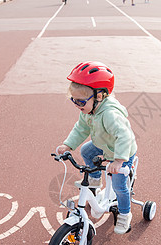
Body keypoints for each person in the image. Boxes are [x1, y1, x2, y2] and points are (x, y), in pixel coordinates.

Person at [56, 61, 138, 234]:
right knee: (87, 150)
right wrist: (68, 145)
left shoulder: (109, 114)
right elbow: (81, 128)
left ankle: (125, 214)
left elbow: (125, 136)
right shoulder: (88, 110)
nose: (77, 105)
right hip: (104, 145)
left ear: (99, 96)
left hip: (122, 150)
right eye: (74, 100)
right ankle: (94, 179)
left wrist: (119, 161)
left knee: (119, 186)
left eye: (80, 101)